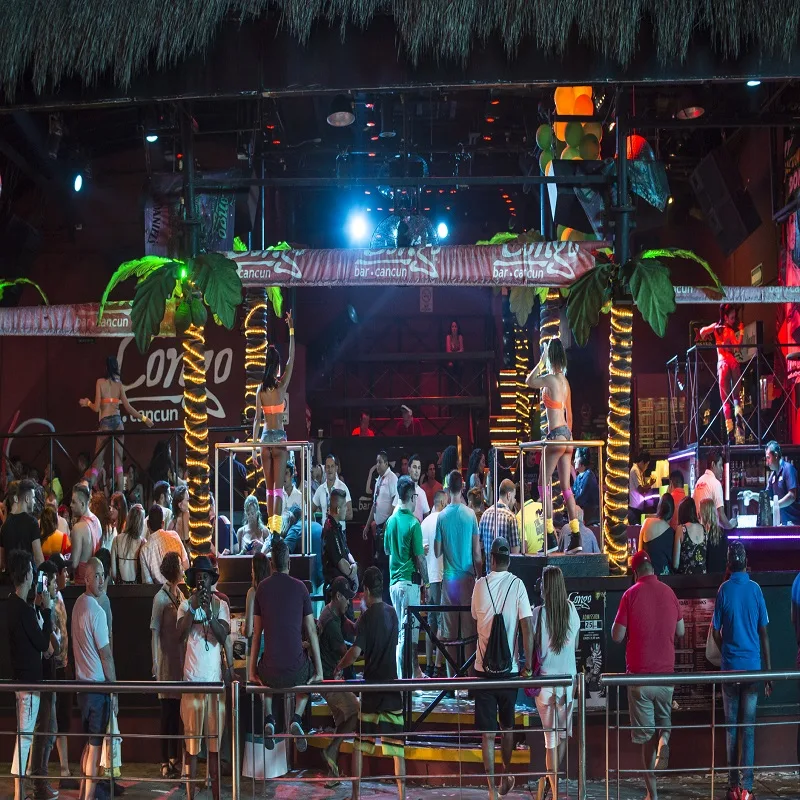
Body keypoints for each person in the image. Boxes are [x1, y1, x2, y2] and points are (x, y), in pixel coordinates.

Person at [612, 551, 684, 800]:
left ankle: (651, 793)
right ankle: (665, 738)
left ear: (635, 573)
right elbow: (681, 631)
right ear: (652, 569)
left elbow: (617, 636)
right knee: (663, 724)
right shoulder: (669, 592)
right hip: (666, 677)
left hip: (639, 678)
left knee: (645, 738)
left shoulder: (629, 595)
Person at [336, 566, 405, 800]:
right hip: (392, 688)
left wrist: (339, 666)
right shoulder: (393, 613)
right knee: (398, 748)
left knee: (360, 745)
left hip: (372, 689)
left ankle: (356, 795)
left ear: (365, 589)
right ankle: (402, 795)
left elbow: (355, 653)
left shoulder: (366, 618)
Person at [471, 538, 533, 800]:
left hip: (482, 670)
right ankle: (506, 773)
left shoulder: (479, 586)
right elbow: (527, 627)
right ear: (510, 559)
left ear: (492, 558)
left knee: (487, 734)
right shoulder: (517, 585)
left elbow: (475, 616)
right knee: (507, 727)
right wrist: (528, 664)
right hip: (509, 671)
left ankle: (490, 789)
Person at [248, 538, 322, 752]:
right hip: (296, 671)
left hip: (270, 672)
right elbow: (311, 631)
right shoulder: (300, 588)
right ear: (288, 562)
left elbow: (256, 633)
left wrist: (252, 671)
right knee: (307, 679)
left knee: (264, 674)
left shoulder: (261, 588)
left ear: (271, 564)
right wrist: (319, 670)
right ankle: (296, 718)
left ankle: (269, 718)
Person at [712, 543, 772, 800]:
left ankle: (732, 786)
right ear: (745, 562)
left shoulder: (724, 590)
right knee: (748, 728)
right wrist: (768, 675)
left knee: (731, 729)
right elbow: (764, 634)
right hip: (753, 670)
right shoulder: (756, 590)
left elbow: (715, 631)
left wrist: (726, 649)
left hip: (730, 670)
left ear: (728, 563)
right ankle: (747, 788)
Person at [177, 556, 231, 800]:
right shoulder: (185, 604)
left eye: (205, 578)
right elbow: (179, 635)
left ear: (211, 581)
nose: (202, 582)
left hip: (214, 685)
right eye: (198, 578)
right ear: (193, 581)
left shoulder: (221, 605)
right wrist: (193, 607)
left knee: (213, 749)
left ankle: (216, 796)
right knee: (190, 748)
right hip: (191, 682)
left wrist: (208, 613)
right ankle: (190, 795)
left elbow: (222, 635)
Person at [525, 338, 581, 550]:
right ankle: (576, 535)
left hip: (555, 435)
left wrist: (540, 363)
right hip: (567, 436)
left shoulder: (549, 379)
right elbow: (570, 414)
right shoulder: (565, 382)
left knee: (543, 484)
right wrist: (571, 443)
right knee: (566, 487)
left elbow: (529, 381)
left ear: (550, 357)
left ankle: (549, 535)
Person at [7, 550, 53, 800]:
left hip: (21, 679)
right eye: (32, 571)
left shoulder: (14, 606)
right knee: (25, 736)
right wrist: (45, 612)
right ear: (26, 574)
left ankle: (19, 791)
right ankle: (18, 793)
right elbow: (42, 643)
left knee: (24, 734)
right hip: (28, 681)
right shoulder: (22, 610)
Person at [532, 565, 580, 800]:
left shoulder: (538, 614)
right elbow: (577, 646)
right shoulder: (572, 611)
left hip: (545, 684)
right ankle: (551, 787)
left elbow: (532, 648)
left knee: (550, 740)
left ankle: (549, 784)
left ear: (545, 587)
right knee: (561, 738)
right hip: (568, 685)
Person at [72, 557, 117, 800]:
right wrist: (115, 688)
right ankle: (88, 796)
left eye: (103, 575)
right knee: (95, 745)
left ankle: (83, 793)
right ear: (87, 579)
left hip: (82, 686)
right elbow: (106, 656)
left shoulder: (78, 605)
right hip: (96, 688)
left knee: (90, 744)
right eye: (96, 575)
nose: (101, 579)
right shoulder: (96, 612)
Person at [79, 356, 154, 491]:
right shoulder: (119, 384)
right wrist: (144, 419)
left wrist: (87, 403)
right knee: (118, 464)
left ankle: (89, 495)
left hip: (105, 424)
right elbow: (128, 408)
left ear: (106, 367)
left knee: (97, 464)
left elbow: (96, 408)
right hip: (118, 424)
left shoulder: (100, 382)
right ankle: (120, 498)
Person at [252, 309, 295, 534]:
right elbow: (292, 359)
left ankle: (271, 530)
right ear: (277, 366)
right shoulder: (280, 387)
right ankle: (276, 532)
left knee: (268, 492)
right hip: (278, 440)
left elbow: (256, 420)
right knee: (278, 491)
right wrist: (291, 330)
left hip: (264, 440)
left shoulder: (261, 389)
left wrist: (253, 450)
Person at [435, 470, 481, 676]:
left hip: (449, 582)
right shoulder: (470, 515)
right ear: (462, 487)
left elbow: (437, 552)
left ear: (447, 488)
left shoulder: (441, 517)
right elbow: (477, 553)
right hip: (468, 581)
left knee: (450, 635)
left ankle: (452, 681)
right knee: (470, 634)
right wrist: (480, 577)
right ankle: (470, 679)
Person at [316, 576, 360, 781]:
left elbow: (351, 628)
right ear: (338, 596)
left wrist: (364, 622)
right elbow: (346, 655)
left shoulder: (334, 612)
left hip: (332, 678)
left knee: (343, 720)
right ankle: (331, 751)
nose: (349, 602)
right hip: (328, 680)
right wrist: (363, 649)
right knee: (355, 712)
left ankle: (332, 774)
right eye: (347, 599)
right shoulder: (330, 621)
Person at [385, 475, 428, 678]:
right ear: (412, 497)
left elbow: (388, 550)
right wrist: (426, 583)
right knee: (408, 634)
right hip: (409, 583)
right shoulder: (413, 523)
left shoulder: (391, 521)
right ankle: (405, 680)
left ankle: (405, 676)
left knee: (400, 633)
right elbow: (420, 559)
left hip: (393, 583)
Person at [150, 551, 185, 780]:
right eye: (181, 565)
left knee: (176, 713)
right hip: (165, 660)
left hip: (179, 661)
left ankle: (174, 757)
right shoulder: (160, 599)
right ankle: (164, 760)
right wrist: (154, 662)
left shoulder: (181, 595)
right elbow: (154, 631)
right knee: (166, 713)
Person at [30, 560, 62, 800]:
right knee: (45, 731)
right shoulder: (39, 609)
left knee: (50, 730)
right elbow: (51, 647)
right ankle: (39, 783)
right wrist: (48, 608)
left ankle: (41, 780)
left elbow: (57, 647)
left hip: (50, 677)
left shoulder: (46, 608)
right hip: (42, 678)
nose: (55, 586)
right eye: (51, 581)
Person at [697, 303, 746, 442]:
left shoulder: (716, 328)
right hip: (732, 362)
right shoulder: (730, 332)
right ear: (725, 316)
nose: (733, 320)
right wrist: (741, 332)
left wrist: (710, 330)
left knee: (725, 402)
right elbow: (737, 348)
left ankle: (730, 433)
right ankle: (738, 420)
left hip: (722, 364)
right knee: (736, 397)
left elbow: (701, 332)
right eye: (731, 318)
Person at [48, 553, 72, 782]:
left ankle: (64, 768)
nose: (66, 575)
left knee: (62, 717)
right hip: (52, 668)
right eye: (63, 572)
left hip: (63, 665)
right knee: (50, 720)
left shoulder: (60, 597)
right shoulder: (48, 602)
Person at [421, 490, 446, 678]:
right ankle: (439, 666)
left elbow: (421, 554)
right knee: (442, 623)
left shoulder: (424, 522)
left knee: (431, 622)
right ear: (443, 502)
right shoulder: (443, 520)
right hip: (443, 576)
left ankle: (429, 664)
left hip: (428, 578)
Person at [478, 478, 521, 572]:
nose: (514, 501)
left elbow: (479, 546)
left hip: (489, 575)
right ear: (509, 495)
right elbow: (515, 552)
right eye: (514, 497)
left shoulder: (485, 514)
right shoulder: (511, 517)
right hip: (505, 576)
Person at [1, 479, 45, 569]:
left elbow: (2, 562)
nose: (34, 501)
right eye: (33, 498)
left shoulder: (5, 526)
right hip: (27, 578)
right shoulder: (32, 523)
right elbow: (39, 559)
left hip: (10, 580)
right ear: (27, 499)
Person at [140, 505, 189, 585]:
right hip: (180, 590)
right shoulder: (174, 536)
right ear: (162, 523)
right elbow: (186, 565)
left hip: (159, 593)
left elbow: (148, 583)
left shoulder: (144, 550)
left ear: (148, 524)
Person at [322, 488, 358, 597]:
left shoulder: (338, 527)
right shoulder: (330, 529)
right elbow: (341, 562)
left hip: (343, 588)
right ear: (337, 509)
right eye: (344, 506)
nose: (347, 509)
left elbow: (346, 551)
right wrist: (352, 574)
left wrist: (354, 564)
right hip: (336, 591)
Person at [694, 449, 737, 530]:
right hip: (711, 533)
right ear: (713, 464)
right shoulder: (715, 483)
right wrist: (730, 526)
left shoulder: (699, 481)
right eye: (720, 465)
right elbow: (720, 515)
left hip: (698, 532)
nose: (722, 469)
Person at [69, 483, 103, 584]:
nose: (70, 505)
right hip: (96, 581)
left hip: (82, 583)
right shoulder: (97, 521)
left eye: (74, 502)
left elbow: (74, 564)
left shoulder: (78, 528)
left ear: (83, 504)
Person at [637, 493, 675, 576]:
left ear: (659, 507)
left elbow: (639, 552)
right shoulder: (671, 532)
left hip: (646, 575)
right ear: (672, 513)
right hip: (664, 578)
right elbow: (673, 563)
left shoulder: (646, 522)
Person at [312, 453, 353, 531]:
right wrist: (316, 528)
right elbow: (311, 510)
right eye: (327, 467)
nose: (330, 470)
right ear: (325, 469)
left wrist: (335, 516)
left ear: (336, 468)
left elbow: (350, 514)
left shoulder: (343, 487)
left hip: (339, 532)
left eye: (332, 466)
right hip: (325, 533)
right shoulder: (320, 489)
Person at [764, 440, 800, 525]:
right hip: (784, 523)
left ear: (776, 455)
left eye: (768, 458)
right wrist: (752, 495)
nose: (767, 462)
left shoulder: (788, 469)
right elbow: (765, 496)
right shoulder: (773, 475)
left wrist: (775, 505)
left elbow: (792, 496)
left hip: (795, 523)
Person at [110, 503, 146, 583]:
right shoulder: (143, 543)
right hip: (138, 590)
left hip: (120, 590)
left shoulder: (116, 540)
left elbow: (113, 573)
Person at [672, 497, 707, 575]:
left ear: (681, 512)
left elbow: (675, 564)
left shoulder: (681, 529)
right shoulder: (703, 528)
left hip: (686, 580)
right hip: (703, 579)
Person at [393, 453, 430, 523]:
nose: (417, 471)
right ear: (409, 469)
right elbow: (394, 511)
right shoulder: (402, 488)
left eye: (419, 468)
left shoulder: (422, 493)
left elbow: (426, 516)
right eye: (414, 467)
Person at [244, 553, 270, 643]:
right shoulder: (273, 590)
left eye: (252, 568)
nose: (251, 572)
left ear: (256, 571)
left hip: (256, 644)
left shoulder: (252, 592)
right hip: (272, 644)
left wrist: (242, 629)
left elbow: (248, 632)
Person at [573, 447, 600, 525]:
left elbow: (581, 499)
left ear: (582, 460)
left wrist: (570, 501)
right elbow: (574, 493)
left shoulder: (589, 476)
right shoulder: (579, 476)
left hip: (591, 520)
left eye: (576, 458)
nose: (574, 461)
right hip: (583, 517)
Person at [628, 452, 656, 525]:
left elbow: (642, 488)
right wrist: (650, 484)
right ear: (643, 462)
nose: (646, 468)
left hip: (637, 508)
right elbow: (641, 489)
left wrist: (649, 484)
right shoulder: (635, 470)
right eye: (646, 465)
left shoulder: (638, 471)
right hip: (634, 509)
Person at [702, 498, 729, 573]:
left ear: (703, 513)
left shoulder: (703, 532)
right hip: (721, 576)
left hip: (707, 577)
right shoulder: (722, 532)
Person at [282, 463, 303, 531]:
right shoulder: (277, 496)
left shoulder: (299, 496)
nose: (283, 476)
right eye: (282, 473)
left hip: (295, 532)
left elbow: (303, 519)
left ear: (292, 476)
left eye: (286, 473)